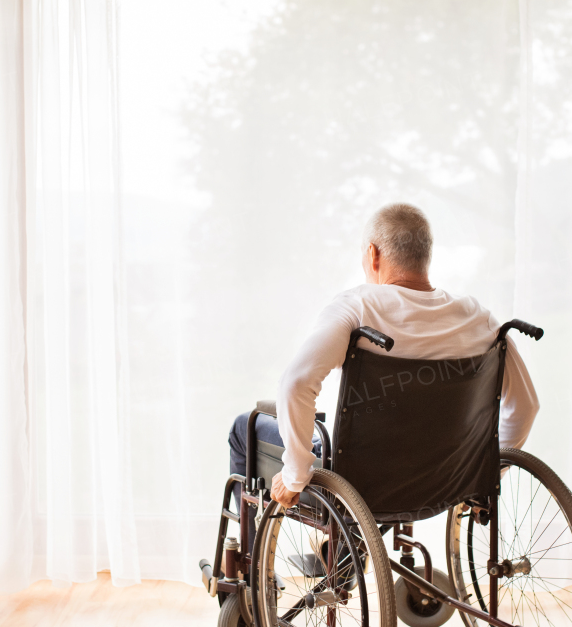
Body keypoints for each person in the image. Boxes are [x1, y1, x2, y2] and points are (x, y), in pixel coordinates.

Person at [227, 203, 539, 508]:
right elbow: (526, 407)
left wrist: (294, 475)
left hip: (361, 480)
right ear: (426, 256)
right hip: (446, 477)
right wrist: (486, 470)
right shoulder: (478, 318)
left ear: (373, 254)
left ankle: (253, 553)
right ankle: (341, 551)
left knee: (245, 427)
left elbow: (295, 384)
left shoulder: (358, 307)